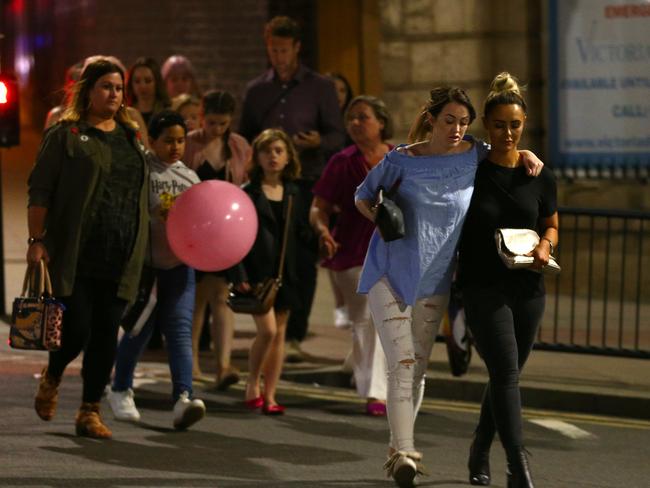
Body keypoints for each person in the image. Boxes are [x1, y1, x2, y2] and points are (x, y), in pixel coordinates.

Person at [354, 86, 543, 487]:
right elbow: (363, 195)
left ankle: (396, 445)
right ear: (431, 119)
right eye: (449, 120)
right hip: (390, 273)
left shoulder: (473, 154)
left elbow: (504, 154)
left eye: (462, 122)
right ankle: (405, 454)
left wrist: (526, 154)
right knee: (402, 364)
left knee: (418, 368)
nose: (457, 128)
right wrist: (381, 220)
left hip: (436, 279)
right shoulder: (402, 159)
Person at [28, 58, 149, 439]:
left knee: (104, 335)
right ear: (89, 90)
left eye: (118, 88)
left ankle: (89, 411)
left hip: (121, 251)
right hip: (75, 252)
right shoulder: (66, 133)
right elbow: (40, 189)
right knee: (76, 329)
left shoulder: (130, 136)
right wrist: (36, 241)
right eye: (106, 87)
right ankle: (54, 373)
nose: (113, 94)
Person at [458, 73, 558, 488]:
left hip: (529, 288)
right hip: (482, 287)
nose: (507, 133)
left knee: (505, 374)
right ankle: (518, 465)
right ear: (485, 123)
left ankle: (479, 447)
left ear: (524, 123)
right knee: (506, 374)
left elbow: (551, 224)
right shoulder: (468, 169)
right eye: (498, 125)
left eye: (515, 125)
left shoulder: (538, 174)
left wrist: (545, 248)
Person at [239, 16, 346, 361]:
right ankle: (269, 324)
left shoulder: (320, 87)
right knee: (267, 254)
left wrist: (318, 140)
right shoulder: (258, 90)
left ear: (297, 48)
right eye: (273, 50)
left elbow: (337, 135)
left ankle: (295, 332)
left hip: (305, 180)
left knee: (301, 257)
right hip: (268, 183)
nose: (279, 56)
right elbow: (245, 135)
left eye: (284, 50)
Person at [106, 110, 206, 430]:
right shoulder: (141, 169)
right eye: (168, 141)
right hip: (146, 269)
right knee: (138, 330)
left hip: (179, 267)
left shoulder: (191, 178)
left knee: (179, 332)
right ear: (152, 141)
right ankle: (120, 388)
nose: (175, 147)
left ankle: (183, 399)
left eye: (180, 141)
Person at [310, 95, 392, 416]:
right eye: (351, 118)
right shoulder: (341, 162)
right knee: (369, 317)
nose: (356, 123)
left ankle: (358, 362)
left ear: (381, 122)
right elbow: (318, 208)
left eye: (363, 117)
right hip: (353, 251)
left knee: (384, 318)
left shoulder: (399, 158)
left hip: (395, 250)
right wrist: (323, 231)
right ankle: (375, 392)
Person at [230, 129, 306, 415]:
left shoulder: (295, 192)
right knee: (268, 330)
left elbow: (301, 232)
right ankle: (252, 381)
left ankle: (271, 394)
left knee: (279, 334)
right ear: (257, 157)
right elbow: (236, 237)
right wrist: (239, 275)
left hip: (286, 272)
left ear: (288, 157)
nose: (272, 156)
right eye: (266, 151)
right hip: (258, 272)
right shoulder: (247, 193)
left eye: (278, 151)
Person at [184, 90, 251, 388]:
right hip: (193, 229)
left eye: (223, 124)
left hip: (226, 231)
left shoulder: (237, 146)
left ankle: (223, 365)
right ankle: (193, 363)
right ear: (201, 116)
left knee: (223, 298)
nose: (217, 129)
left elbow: (245, 183)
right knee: (196, 300)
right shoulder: (188, 143)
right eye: (211, 122)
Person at [324, 72, 355, 328]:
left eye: (342, 91)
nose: (337, 96)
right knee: (332, 249)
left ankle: (347, 305)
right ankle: (340, 303)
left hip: (353, 196)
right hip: (328, 192)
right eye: (331, 90)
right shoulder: (322, 123)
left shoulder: (353, 124)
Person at [125, 57, 170, 126]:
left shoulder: (166, 112)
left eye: (148, 81)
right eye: (137, 81)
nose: (142, 86)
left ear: (157, 82)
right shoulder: (126, 114)